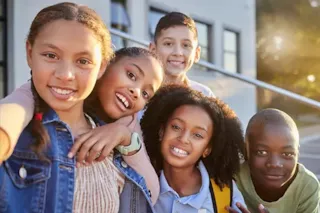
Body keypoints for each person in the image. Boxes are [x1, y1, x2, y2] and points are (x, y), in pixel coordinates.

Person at [0, 3, 163, 213]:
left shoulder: (117, 138)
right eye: (51, 55)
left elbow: (148, 196)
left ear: (101, 67)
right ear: (30, 53)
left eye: (83, 61)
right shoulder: (19, 126)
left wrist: (124, 136)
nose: (66, 74)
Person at [140, 85, 246, 213]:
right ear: (162, 131)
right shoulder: (139, 181)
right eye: (176, 127)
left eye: (197, 135)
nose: (183, 139)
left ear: (207, 148)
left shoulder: (225, 193)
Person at [235, 108, 320, 213]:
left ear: (297, 153)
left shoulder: (307, 186)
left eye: (287, 154)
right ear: (245, 151)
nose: (275, 164)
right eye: (262, 152)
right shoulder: (234, 178)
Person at [149, 11, 214, 97]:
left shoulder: (205, 95)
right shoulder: (138, 95)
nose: (177, 53)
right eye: (168, 44)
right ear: (153, 50)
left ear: (196, 54)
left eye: (186, 45)